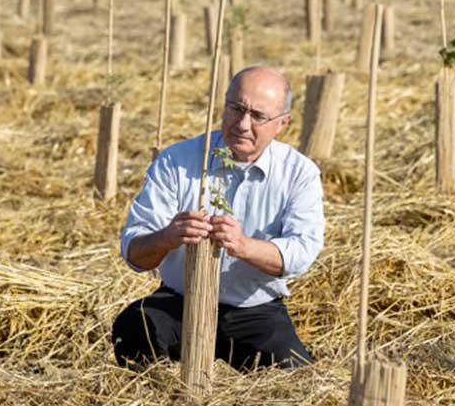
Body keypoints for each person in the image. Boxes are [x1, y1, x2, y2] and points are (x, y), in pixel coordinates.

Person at [112, 66, 325, 371]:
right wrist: (166, 237)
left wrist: (243, 246)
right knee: (133, 329)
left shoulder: (299, 174)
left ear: (282, 123)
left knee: (296, 377)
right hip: (179, 303)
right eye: (235, 108)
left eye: (258, 116)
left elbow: (301, 254)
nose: (242, 124)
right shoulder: (178, 160)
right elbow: (134, 253)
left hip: (255, 310)